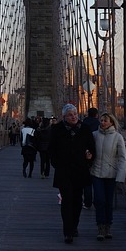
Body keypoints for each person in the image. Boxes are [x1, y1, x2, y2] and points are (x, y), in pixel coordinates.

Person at [49, 103, 95, 243]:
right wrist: (57, 164)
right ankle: (68, 231)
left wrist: (89, 158)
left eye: (75, 114)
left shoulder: (85, 129)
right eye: (70, 115)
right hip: (64, 171)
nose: (73, 117)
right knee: (66, 200)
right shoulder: (56, 129)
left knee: (77, 200)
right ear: (64, 117)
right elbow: (52, 149)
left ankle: (74, 226)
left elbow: (92, 148)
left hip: (80, 170)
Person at [90, 112, 126, 240]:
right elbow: (88, 150)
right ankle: (100, 226)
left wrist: (120, 176)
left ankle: (107, 226)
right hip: (96, 172)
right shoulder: (94, 135)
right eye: (101, 120)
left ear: (111, 122)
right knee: (99, 200)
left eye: (105, 120)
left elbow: (123, 158)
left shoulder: (118, 137)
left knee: (108, 201)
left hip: (111, 174)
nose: (102, 122)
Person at [81, 108, 100, 208]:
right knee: (97, 179)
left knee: (86, 179)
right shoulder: (99, 124)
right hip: (97, 153)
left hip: (84, 154)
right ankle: (98, 201)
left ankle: (87, 202)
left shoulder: (82, 123)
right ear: (96, 115)